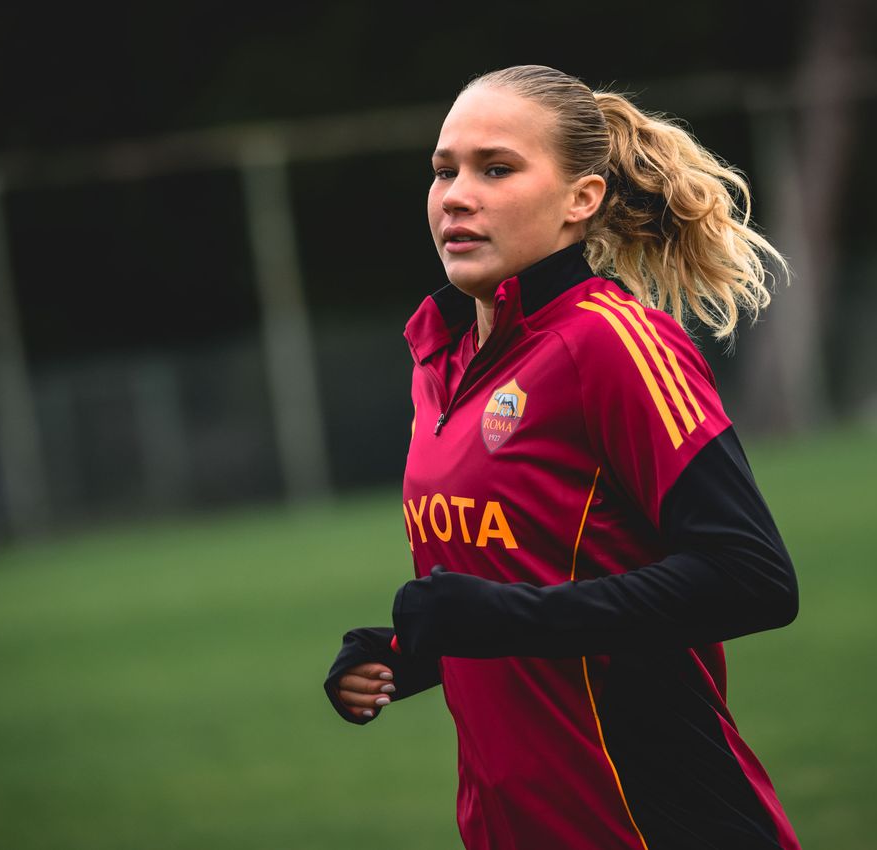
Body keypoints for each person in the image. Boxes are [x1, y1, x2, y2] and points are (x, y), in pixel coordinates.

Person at [325, 64, 802, 850]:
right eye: (444, 170)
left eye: (496, 168)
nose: (456, 194)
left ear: (582, 199)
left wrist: (497, 617)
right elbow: (537, 580)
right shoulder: (437, 362)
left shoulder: (612, 343)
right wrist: (410, 654)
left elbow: (752, 578)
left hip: (654, 821)